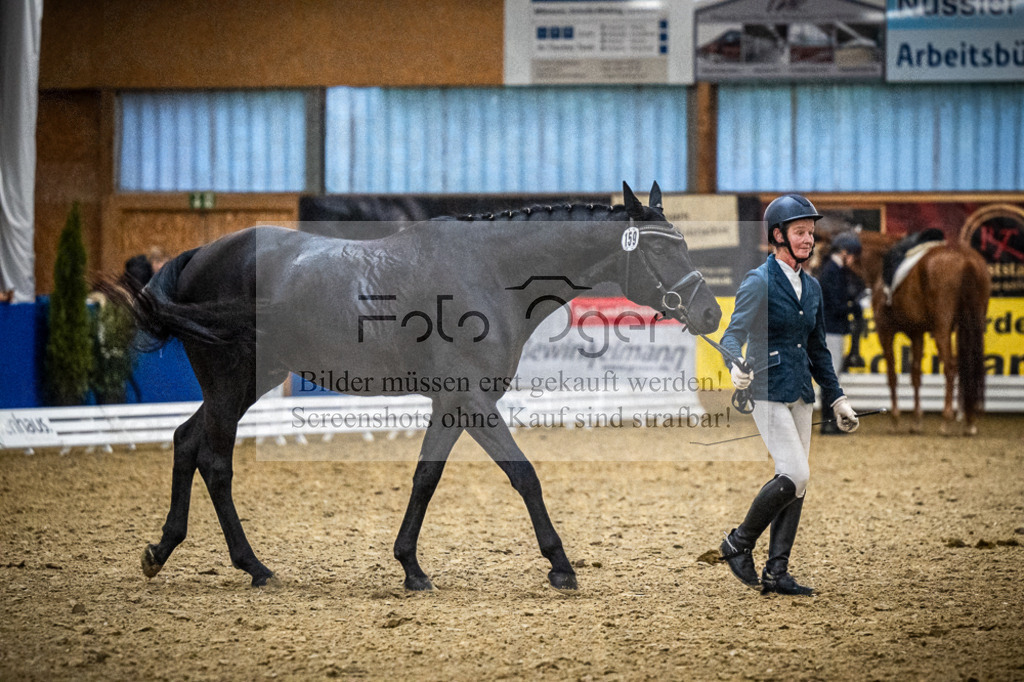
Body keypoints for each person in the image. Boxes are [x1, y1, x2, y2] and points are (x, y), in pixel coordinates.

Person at [718, 194, 859, 596]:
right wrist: (734, 366)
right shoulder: (759, 281)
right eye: (800, 232)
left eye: (811, 233)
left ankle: (776, 572)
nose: (808, 239)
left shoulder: (812, 287)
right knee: (796, 473)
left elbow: (818, 350)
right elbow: (732, 336)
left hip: (801, 392)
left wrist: (837, 398)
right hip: (766, 389)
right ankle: (738, 542)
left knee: (798, 482)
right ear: (778, 235)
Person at [817, 231, 864, 435]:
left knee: (832, 376)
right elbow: (835, 304)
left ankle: (829, 421)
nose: (853, 260)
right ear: (844, 252)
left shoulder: (835, 270)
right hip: (831, 330)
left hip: (833, 328)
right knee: (831, 377)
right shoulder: (832, 271)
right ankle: (827, 422)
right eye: (852, 255)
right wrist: (852, 307)